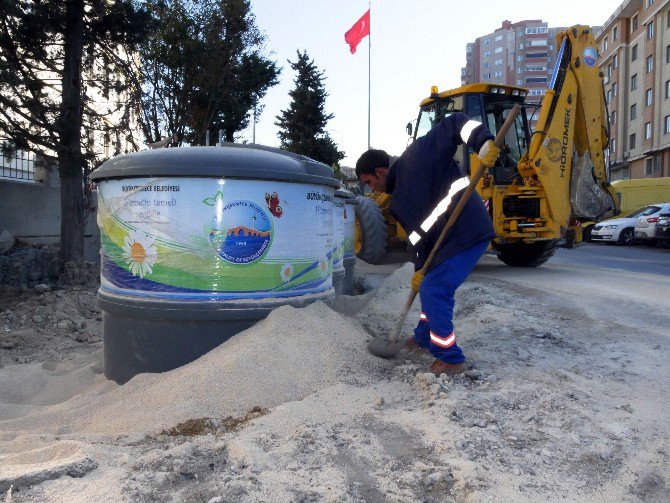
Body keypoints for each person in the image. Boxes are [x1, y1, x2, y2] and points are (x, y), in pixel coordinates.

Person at [355, 113, 499, 376]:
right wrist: (420, 268)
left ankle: (451, 359)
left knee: (435, 290)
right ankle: (423, 338)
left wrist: (482, 142)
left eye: (369, 183)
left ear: (379, 171)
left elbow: (455, 123)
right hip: (444, 243)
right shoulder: (398, 202)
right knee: (428, 284)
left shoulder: (417, 156)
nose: (371, 189)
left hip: (467, 231)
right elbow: (418, 238)